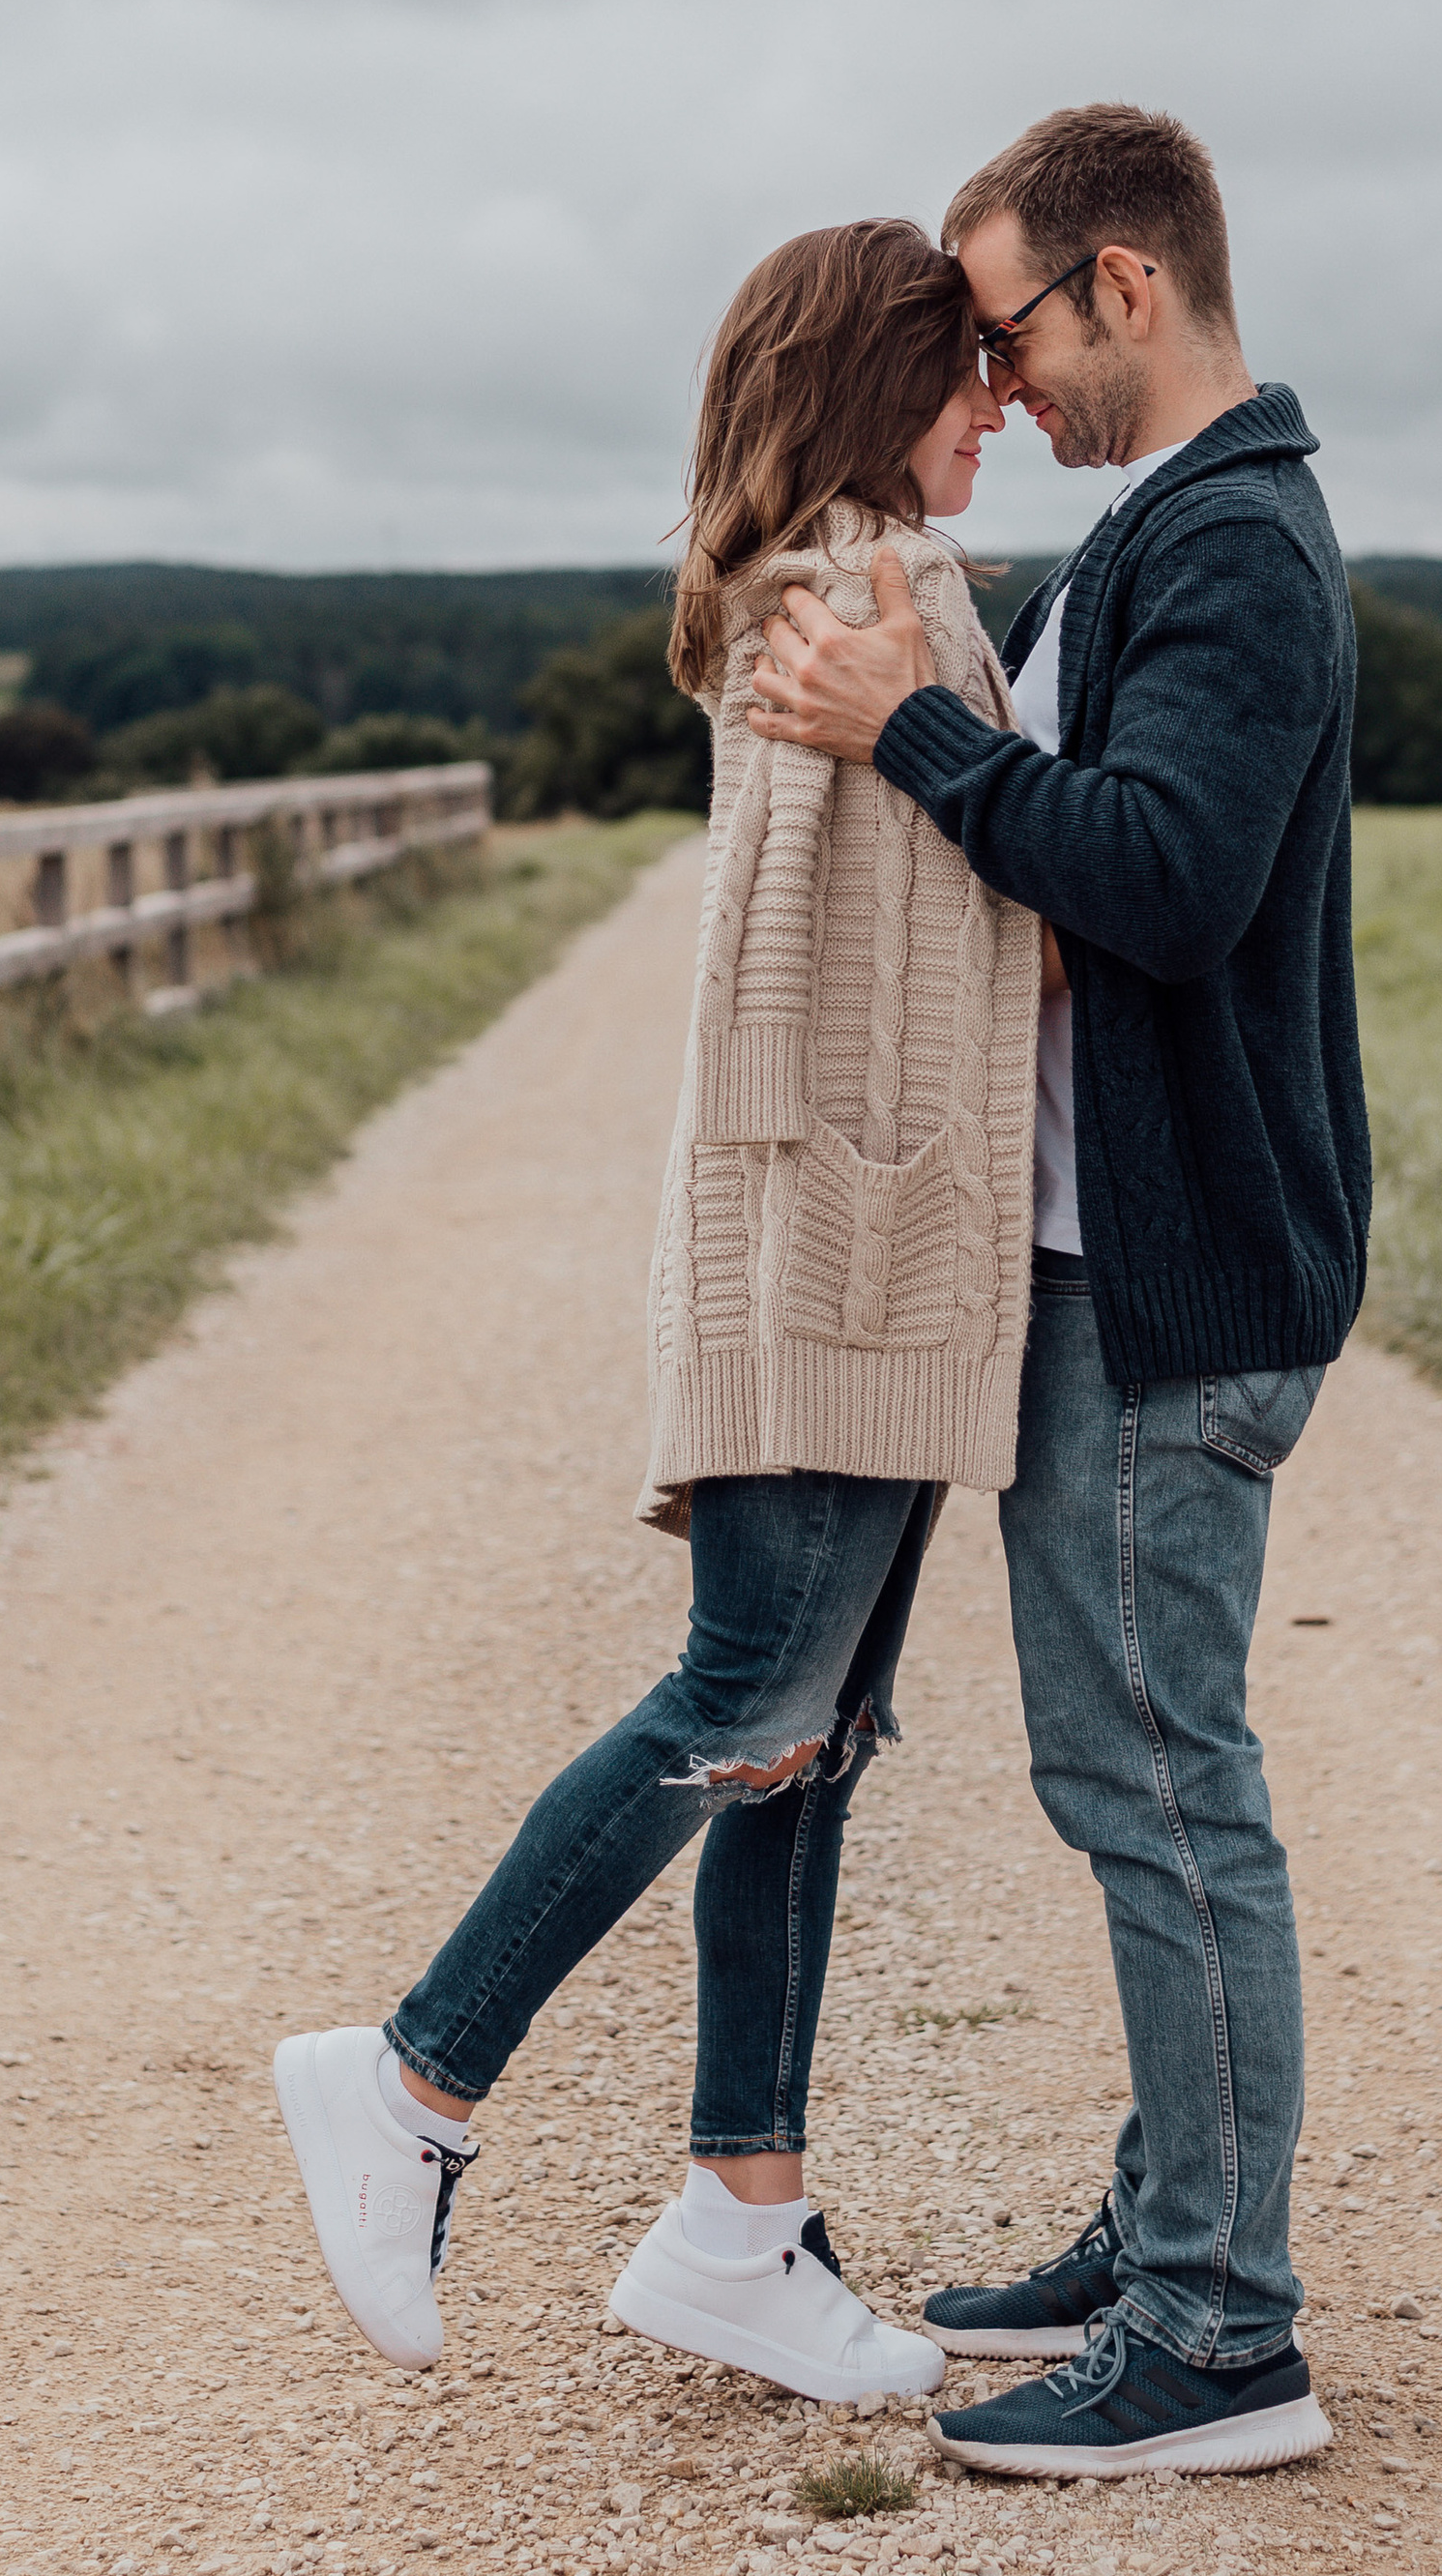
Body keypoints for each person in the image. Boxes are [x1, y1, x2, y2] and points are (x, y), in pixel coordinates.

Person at [274, 218, 1043, 2404]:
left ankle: (739, 2221)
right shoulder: (849, 599)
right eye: (965, 367)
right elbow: (792, 976)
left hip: (873, 1258)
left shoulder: (864, 593)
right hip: (837, 1255)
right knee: (738, 1701)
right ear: (874, 377)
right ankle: (414, 2079)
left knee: (809, 1740)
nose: (996, 399)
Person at [747, 103, 1371, 2477]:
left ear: (1124, 282)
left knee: (1159, 1785)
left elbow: (1162, 878)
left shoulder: (1228, 546)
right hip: (1123, 1259)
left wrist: (901, 733)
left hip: (1180, 1273)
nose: (996, 384)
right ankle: (1162, 2221)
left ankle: (1222, 2337)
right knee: (1123, 1766)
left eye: (1008, 326)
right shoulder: (1163, 535)